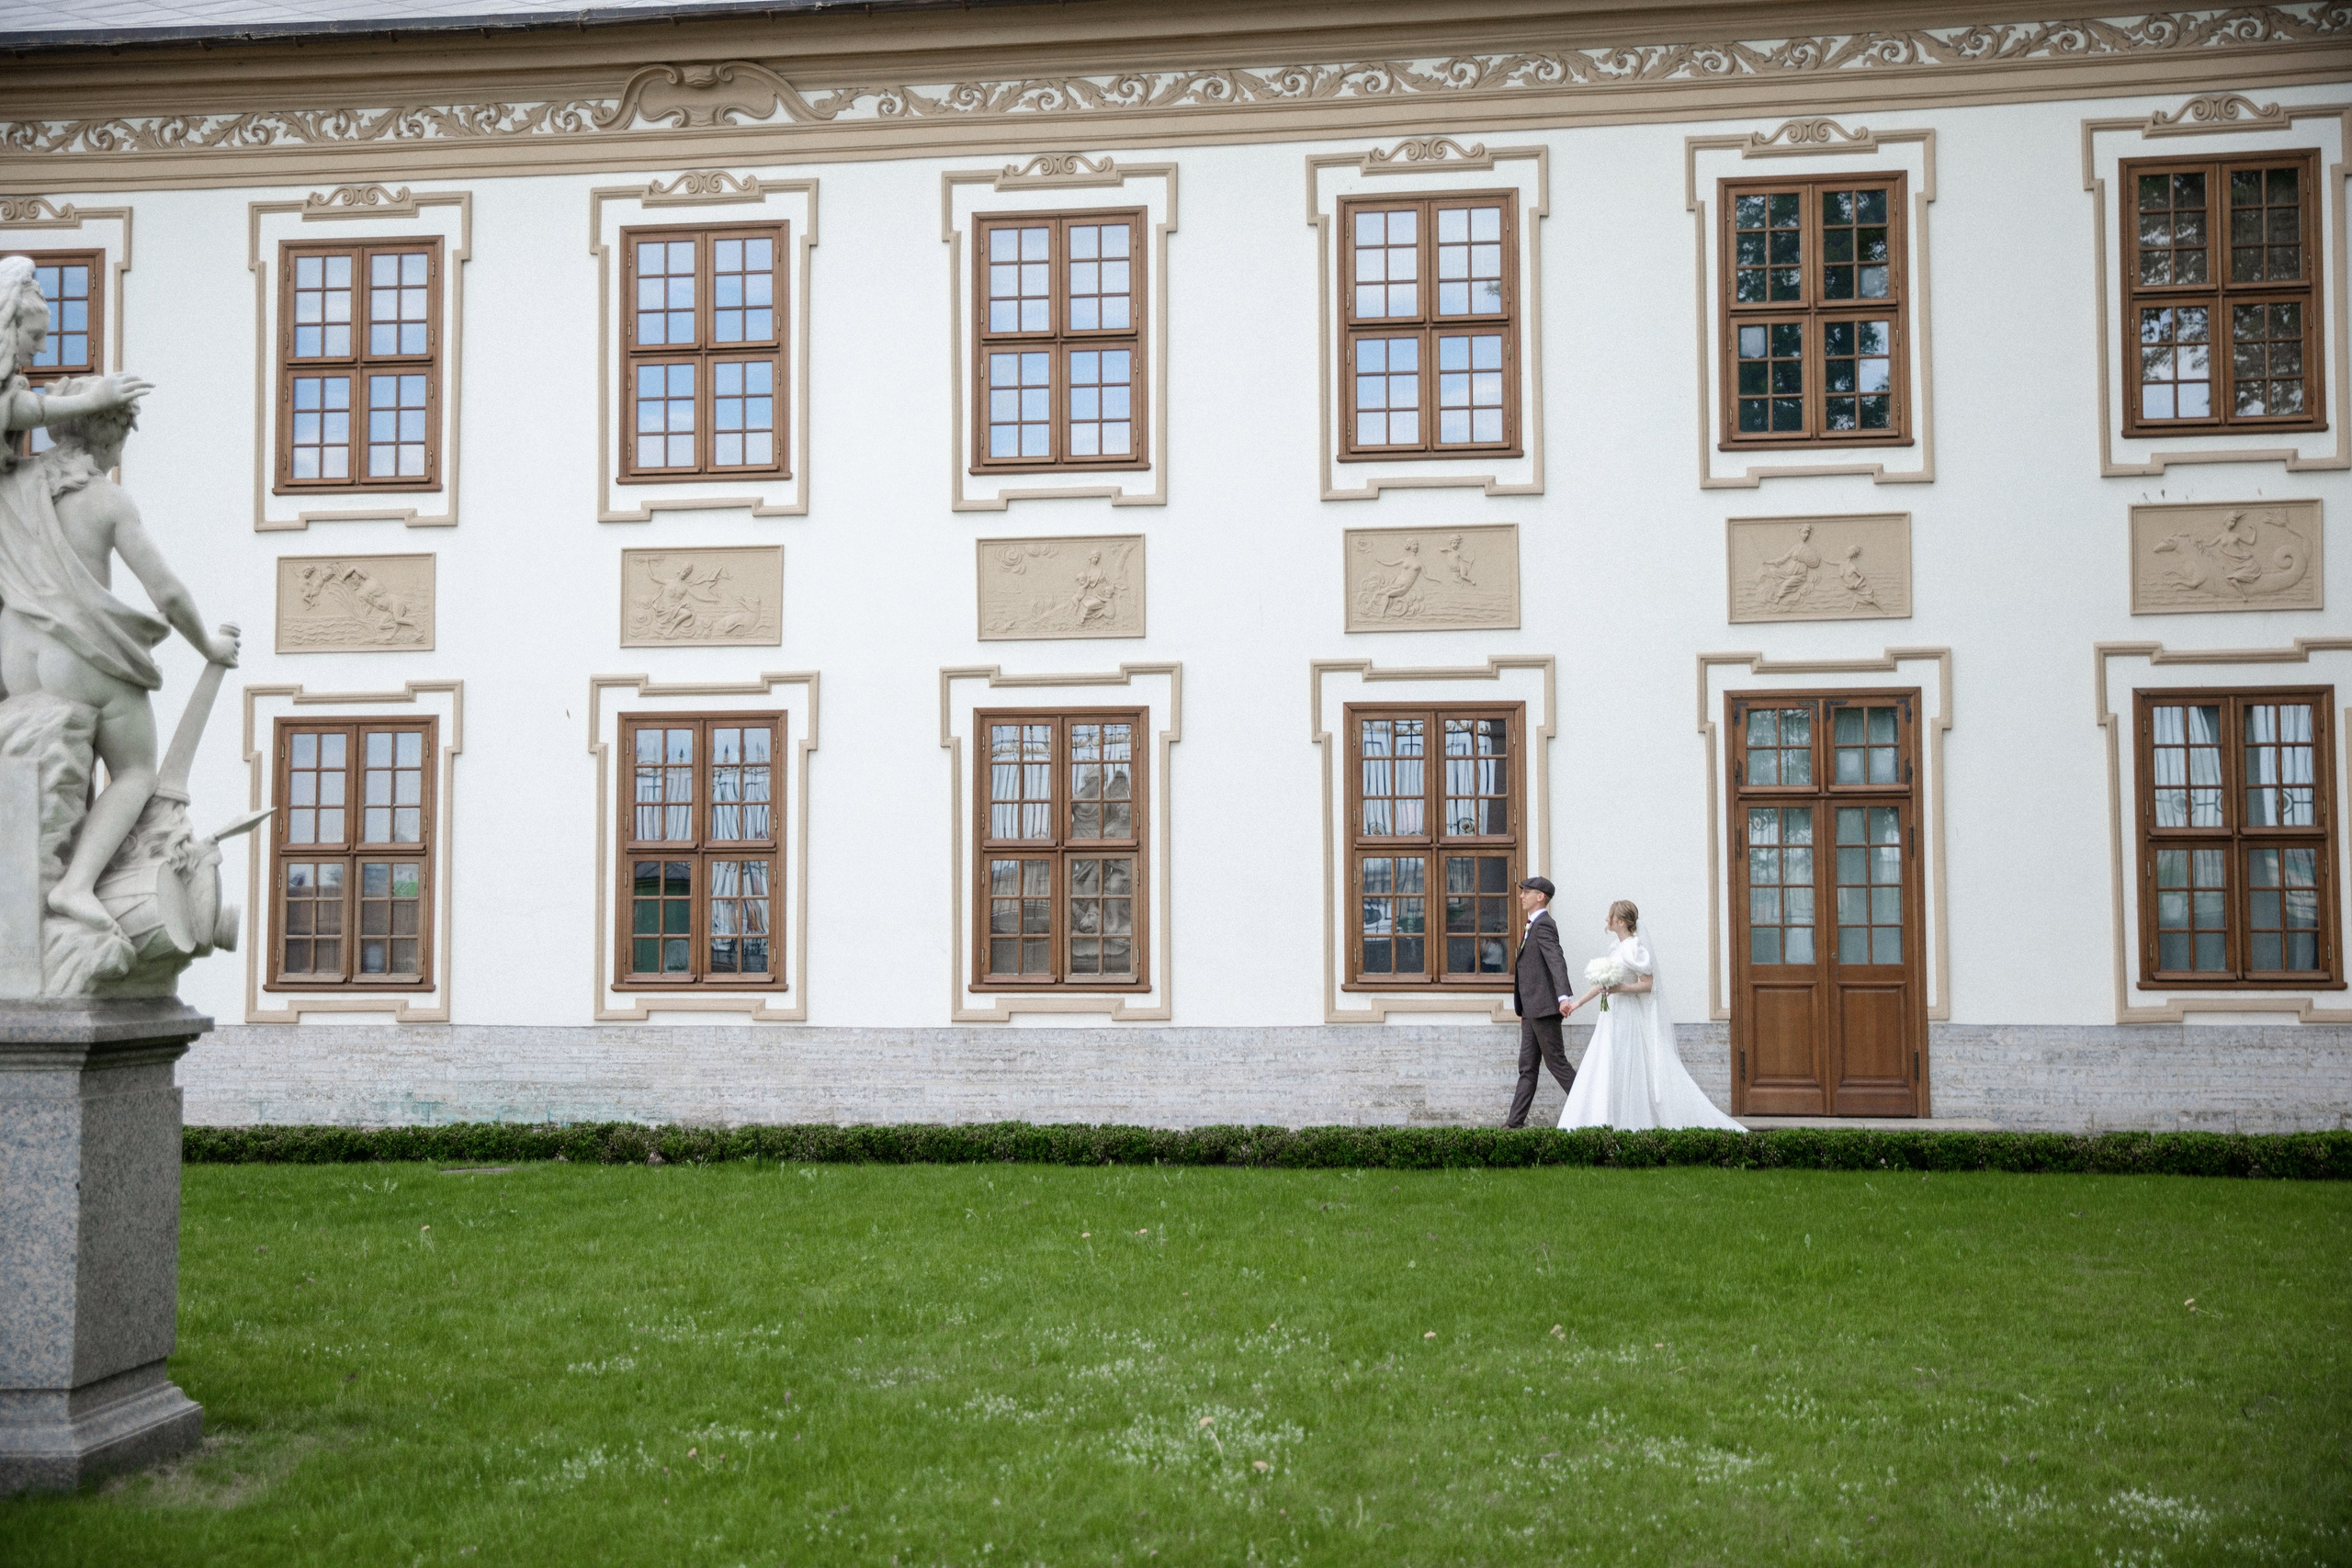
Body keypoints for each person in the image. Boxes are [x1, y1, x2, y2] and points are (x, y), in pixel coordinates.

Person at [0, 327, 238, 935]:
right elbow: (167, 591)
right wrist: (207, 645)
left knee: (46, 777)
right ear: (107, 429)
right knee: (134, 771)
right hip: (79, 652)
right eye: (124, 431)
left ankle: (37, 901)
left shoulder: (11, 484)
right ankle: (76, 886)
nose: (122, 447)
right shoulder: (106, 501)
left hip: (16, 654)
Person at [1558, 900, 1745, 1132]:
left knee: (1628, 1065)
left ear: (1621, 922)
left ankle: (1633, 1124)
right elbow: (1603, 984)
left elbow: (1648, 985)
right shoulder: (1616, 948)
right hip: (1610, 1017)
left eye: (1610, 915)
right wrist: (1577, 1003)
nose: (1606, 919)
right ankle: (1606, 1122)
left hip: (1627, 1016)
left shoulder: (1634, 949)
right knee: (1607, 1064)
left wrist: (1619, 990)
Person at [1502, 874, 1575, 1128]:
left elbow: (1556, 959)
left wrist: (1563, 997)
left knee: (1557, 1064)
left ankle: (1591, 1107)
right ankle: (1514, 1123)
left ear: (1540, 896)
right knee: (1527, 1068)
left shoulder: (1543, 924)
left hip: (1544, 1010)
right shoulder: (1532, 924)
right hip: (1532, 1010)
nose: (1521, 896)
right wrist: (1522, 1007)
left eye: (1526, 892)